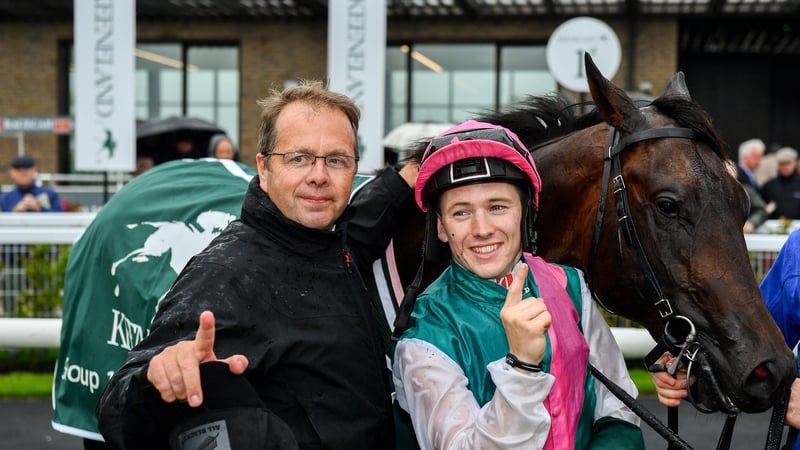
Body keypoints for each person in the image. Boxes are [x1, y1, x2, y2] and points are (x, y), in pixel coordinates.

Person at [96, 80, 418, 449]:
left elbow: (360, 228)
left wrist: (407, 176)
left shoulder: (329, 242)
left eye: (336, 160)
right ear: (263, 169)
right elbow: (116, 411)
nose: (319, 175)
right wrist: (156, 377)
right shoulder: (228, 274)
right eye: (298, 158)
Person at [392, 120, 645, 449]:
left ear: (526, 213)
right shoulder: (424, 338)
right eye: (460, 213)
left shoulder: (570, 285)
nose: (482, 229)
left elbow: (617, 406)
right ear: (441, 228)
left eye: (497, 207)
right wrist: (522, 366)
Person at [725, 159, 769, 233]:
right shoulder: (711, 192)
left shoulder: (745, 190)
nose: (728, 178)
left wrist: (751, 223)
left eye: (731, 173)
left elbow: (762, 209)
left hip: (743, 234)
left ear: (736, 174)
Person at [761, 147, 800, 219]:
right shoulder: (769, 186)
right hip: (772, 226)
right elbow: (762, 208)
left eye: (788, 163)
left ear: (795, 163)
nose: (785, 167)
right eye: (782, 164)